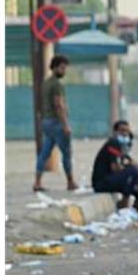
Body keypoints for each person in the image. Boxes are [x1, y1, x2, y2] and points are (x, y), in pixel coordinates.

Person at [34, 55, 77, 192]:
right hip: (57, 123)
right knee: (66, 153)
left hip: (46, 122)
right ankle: (70, 182)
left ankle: (37, 182)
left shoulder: (46, 83)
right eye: (62, 68)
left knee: (45, 153)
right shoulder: (57, 85)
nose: (64, 71)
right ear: (55, 67)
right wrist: (65, 125)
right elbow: (59, 105)